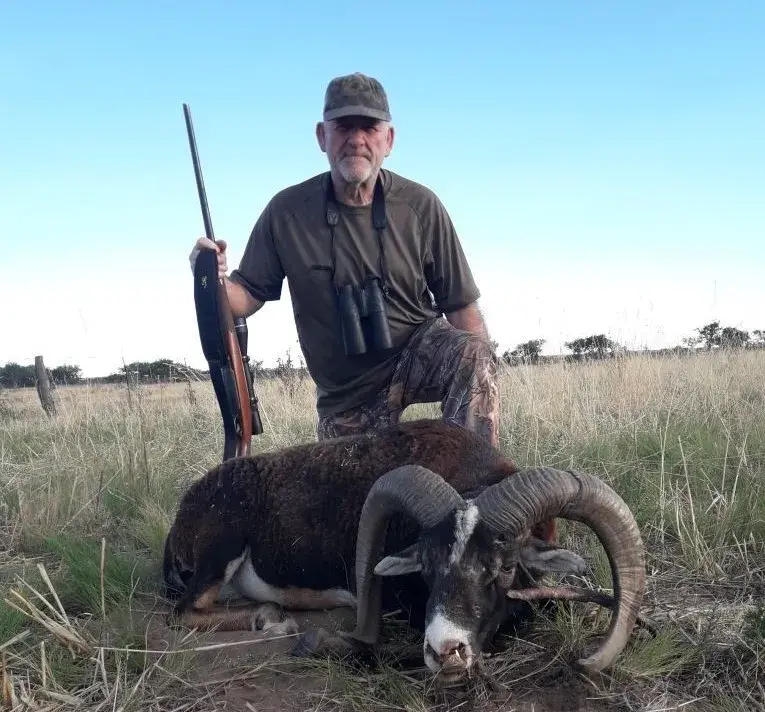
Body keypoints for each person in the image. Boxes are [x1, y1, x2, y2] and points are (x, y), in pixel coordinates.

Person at [189, 72, 500, 447]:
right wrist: (210, 277)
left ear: (389, 139)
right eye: (343, 127)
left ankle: (477, 488)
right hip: (348, 392)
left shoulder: (421, 205)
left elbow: (462, 306)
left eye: (369, 127)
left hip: (416, 354)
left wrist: (484, 376)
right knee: (356, 495)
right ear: (322, 136)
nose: (356, 140)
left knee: (474, 353)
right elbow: (244, 298)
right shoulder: (286, 212)